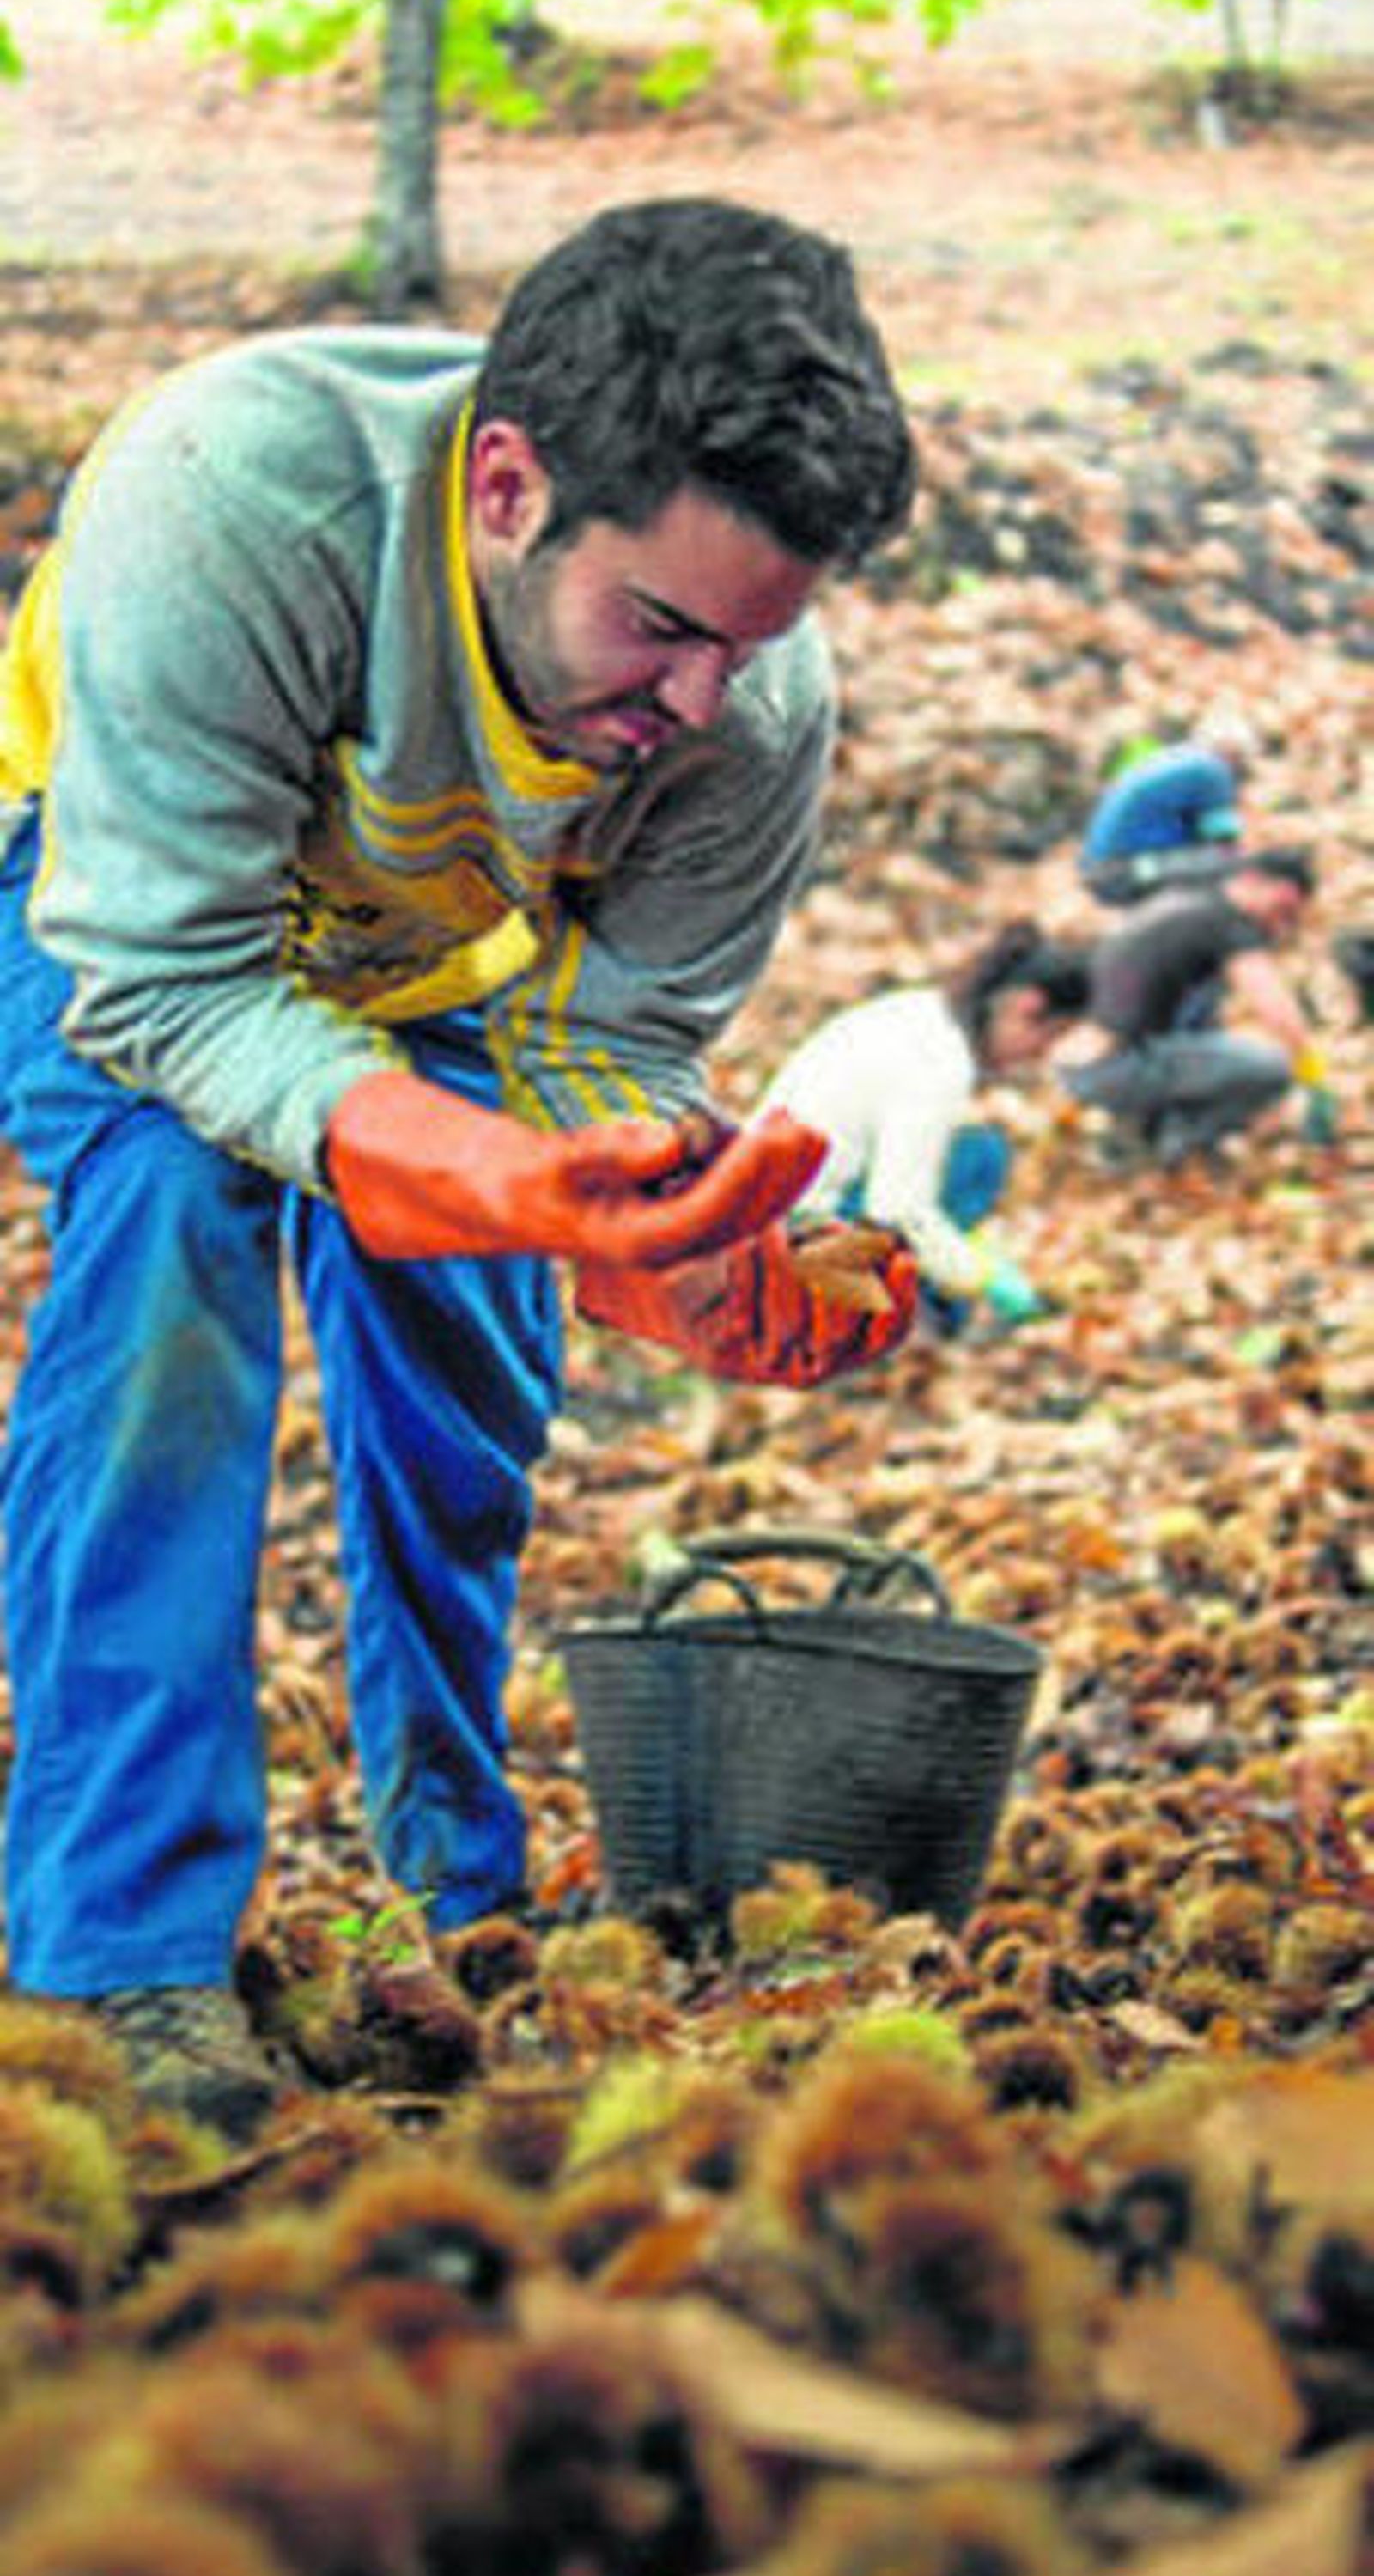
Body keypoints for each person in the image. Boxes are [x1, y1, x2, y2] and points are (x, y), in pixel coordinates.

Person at [0, 197, 920, 2130]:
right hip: (116, 903)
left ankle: (452, 1873)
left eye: (743, 647)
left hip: (430, 948)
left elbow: (615, 1042)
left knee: (469, 1343)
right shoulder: (238, 498)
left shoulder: (746, 689)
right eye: (657, 628)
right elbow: (168, 981)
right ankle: (115, 1955)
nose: (694, 706)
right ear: (506, 485)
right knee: (175, 1221)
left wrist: (659, 1248)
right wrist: (480, 1170)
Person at [759, 924, 1093, 1333]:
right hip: (794, 1228)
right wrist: (981, 1277)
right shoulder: (940, 1063)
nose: (1041, 1056)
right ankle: (891, 1307)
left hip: (777, 1195)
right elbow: (898, 1209)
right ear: (1026, 1008)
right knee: (983, 1160)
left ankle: (915, 1301)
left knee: (976, 1152)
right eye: (1050, 1038)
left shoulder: (923, 1013)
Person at [1063, 848, 1337, 1165]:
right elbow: (1276, 1008)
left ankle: (1138, 1131)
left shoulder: (1192, 899)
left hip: (1082, 1056)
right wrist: (1313, 1074)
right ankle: (1175, 1148)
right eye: (1283, 907)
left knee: (1213, 1040)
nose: (1281, 921)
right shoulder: (1227, 924)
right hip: (1116, 1065)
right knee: (1273, 1068)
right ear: (1255, 882)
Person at [1078, 709, 1257, 909]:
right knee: (1226, 861)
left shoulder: (1174, 757)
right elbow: (1225, 841)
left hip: (1100, 868)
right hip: (1127, 871)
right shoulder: (1212, 770)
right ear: (1234, 753)